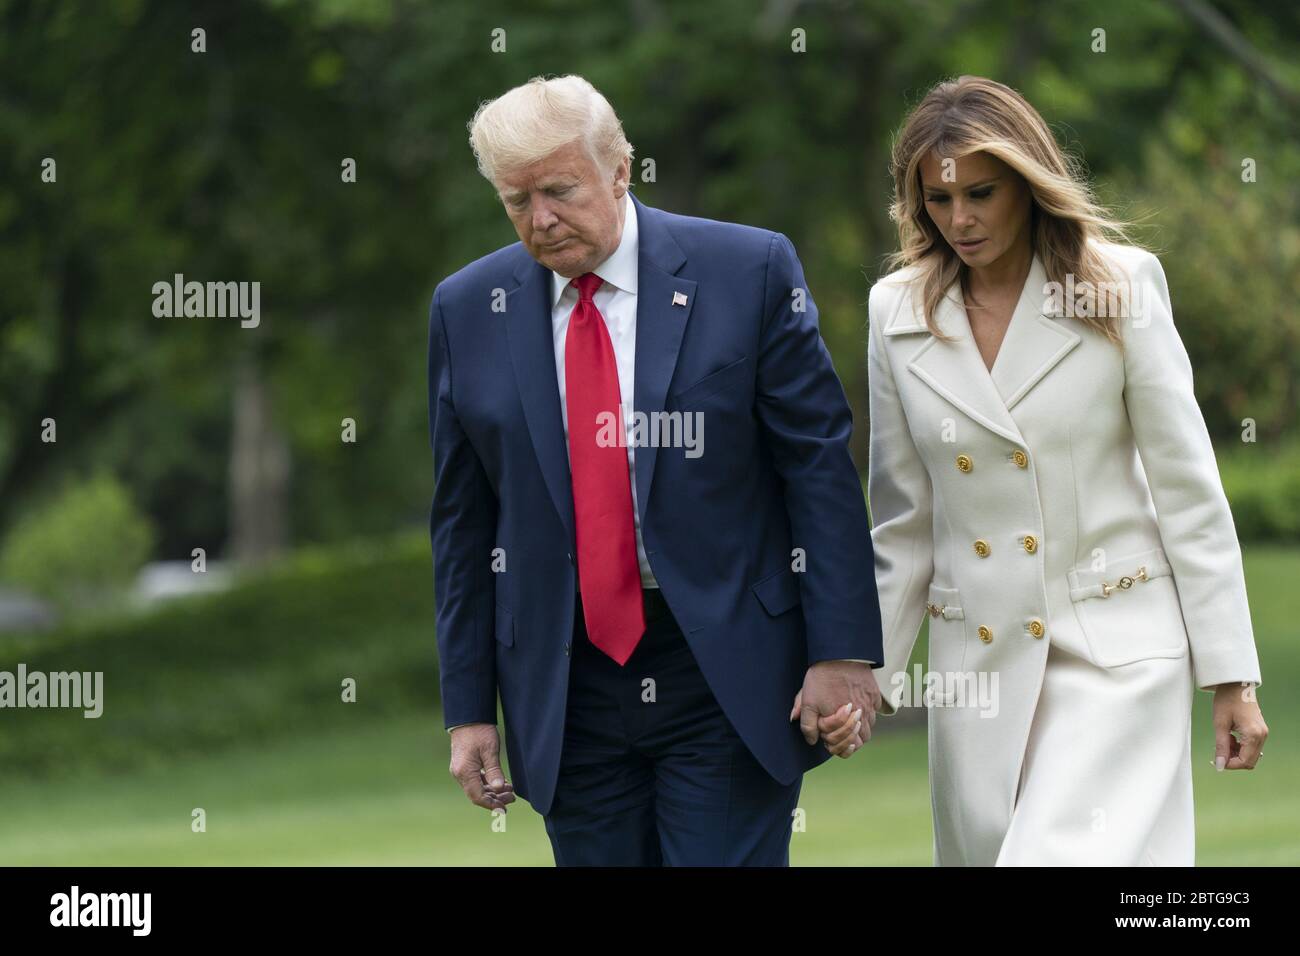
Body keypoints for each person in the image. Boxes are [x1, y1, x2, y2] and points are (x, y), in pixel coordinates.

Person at [427, 74, 883, 866]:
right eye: (515, 199)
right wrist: (467, 709)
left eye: (559, 190)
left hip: (725, 668)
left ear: (619, 170)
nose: (540, 219)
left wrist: (841, 651)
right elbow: (463, 526)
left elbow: (816, 469)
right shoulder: (467, 309)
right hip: (565, 683)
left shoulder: (751, 271)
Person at [860, 75, 1269, 865]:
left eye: (982, 192)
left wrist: (1232, 675)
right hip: (976, 673)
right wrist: (867, 676)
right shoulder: (896, 312)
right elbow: (905, 521)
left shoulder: (1121, 287)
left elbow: (1188, 493)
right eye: (939, 201)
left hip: (1116, 656)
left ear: (1028, 181)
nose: (961, 220)